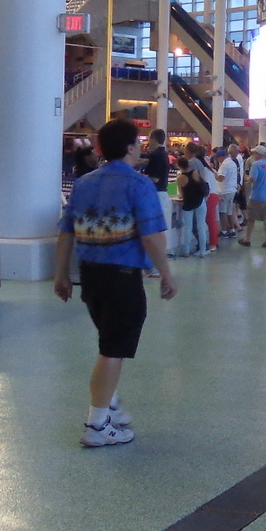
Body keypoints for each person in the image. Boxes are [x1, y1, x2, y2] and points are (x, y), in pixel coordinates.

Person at [53, 117, 178, 448]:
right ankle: (97, 425)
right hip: (122, 278)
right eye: (137, 143)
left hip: (90, 277)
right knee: (112, 349)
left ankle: (110, 402)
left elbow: (66, 230)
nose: (140, 149)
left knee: (109, 342)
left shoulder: (83, 183)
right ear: (129, 148)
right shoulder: (139, 185)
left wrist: (61, 273)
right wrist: (165, 273)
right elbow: (152, 236)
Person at [171, 142, 210, 258]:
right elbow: (203, 183)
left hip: (188, 204)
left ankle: (186, 251)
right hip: (200, 201)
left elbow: (181, 195)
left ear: (179, 166)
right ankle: (203, 251)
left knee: (188, 228)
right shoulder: (196, 172)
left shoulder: (180, 178)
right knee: (201, 226)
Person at [239, 144, 266, 248]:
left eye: (255, 153)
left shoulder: (256, 165)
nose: (253, 154)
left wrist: (246, 177)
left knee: (251, 219)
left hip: (256, 196)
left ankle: (247, 239)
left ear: (259, 154)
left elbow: (253, 179)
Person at [215, 144, 242, 238]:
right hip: (232, 190)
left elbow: (221, 178)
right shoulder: (232, 162)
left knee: (223, 212)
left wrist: (214, 174)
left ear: (221, 157)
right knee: (230, 212)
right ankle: (232, 230)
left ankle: (224, 231)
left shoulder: (224, 165)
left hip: (224, 191)